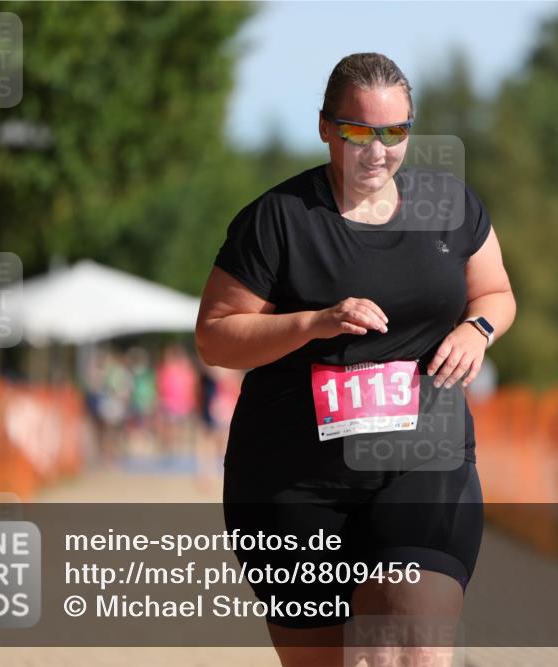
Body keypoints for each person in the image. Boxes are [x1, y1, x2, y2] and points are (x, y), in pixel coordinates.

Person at [196, 53, 515, 667]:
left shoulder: (448, 206)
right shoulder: (280, 220)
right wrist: (314, 323)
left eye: (395, 132)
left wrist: (476, 330)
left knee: (409, 651)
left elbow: (496, 294)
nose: (379, 151)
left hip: (422, 459)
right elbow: (215, 336)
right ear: (325, 128)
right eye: (359, 132)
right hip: (294, 479)